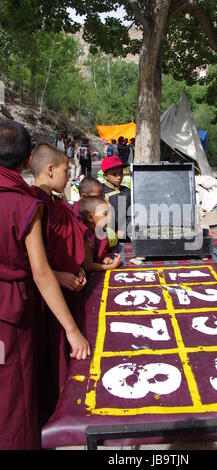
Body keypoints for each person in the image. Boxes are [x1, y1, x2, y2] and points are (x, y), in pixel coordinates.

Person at [0, 120, 90, 450]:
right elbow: (41, 272)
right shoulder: (24, 205)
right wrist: (71, 329)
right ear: (27, 161)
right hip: (11, 315)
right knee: (16, 397)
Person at [30, 144, 89, 411]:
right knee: (50, 360)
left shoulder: (54, 201)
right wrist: (59, 276)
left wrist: (77, 269)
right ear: (50, 169)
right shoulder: (33, 204)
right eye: (66, 170)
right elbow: (26, 260)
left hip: (66, 286)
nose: (68, 176)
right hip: (44, 296)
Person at [80, 196, 122, 273]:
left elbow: (101, 250)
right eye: (105, 214)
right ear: (90, 217)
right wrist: (112, 266)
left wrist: (105, 257)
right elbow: (88, 266)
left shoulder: (101, 231)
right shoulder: (86, 239)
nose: (110, 218)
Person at [101, 156, 131, 241]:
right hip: (104, 235)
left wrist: (124, 229)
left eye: (121, 173)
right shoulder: (100, 191)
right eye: (114, 174)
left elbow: (132, 213)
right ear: (105, 175)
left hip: (124, 235)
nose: (119, 177)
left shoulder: (127, 191)